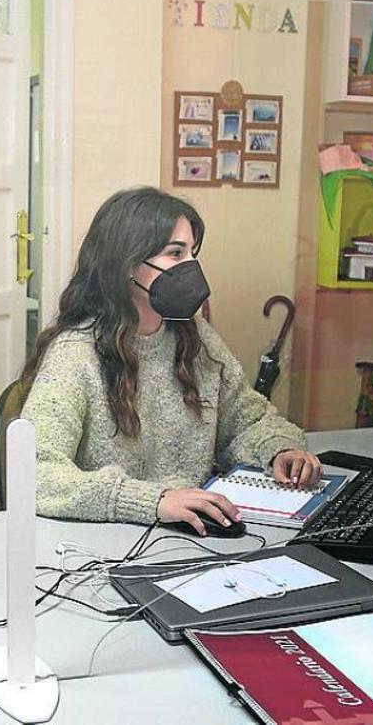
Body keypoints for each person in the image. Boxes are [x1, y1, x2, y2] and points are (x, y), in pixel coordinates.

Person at [20, 186, 320, 535]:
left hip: (196, 534)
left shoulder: (195, 336)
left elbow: (246, 421)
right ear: (127, 265)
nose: (191, 268)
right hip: (111, 540)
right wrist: (153, 501)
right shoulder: (75, 353)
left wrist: (279, 450)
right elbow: (35, 475)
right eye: (175, 253)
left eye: (193, 253)